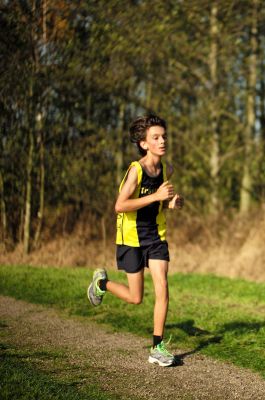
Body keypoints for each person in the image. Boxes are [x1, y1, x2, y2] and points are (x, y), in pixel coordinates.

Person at [87, 114, 184, 367]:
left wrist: (171, 202)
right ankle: (102, 283)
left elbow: (162, 199)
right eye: (156, 137)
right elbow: (119, 205)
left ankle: (157, 347)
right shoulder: (136, 170)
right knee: (135, 297)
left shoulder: (166, 169)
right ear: (144, 143)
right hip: (131, 237)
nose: (162, 141)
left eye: (164, 136)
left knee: (162, 286)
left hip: (156, 236)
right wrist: (156, 197)